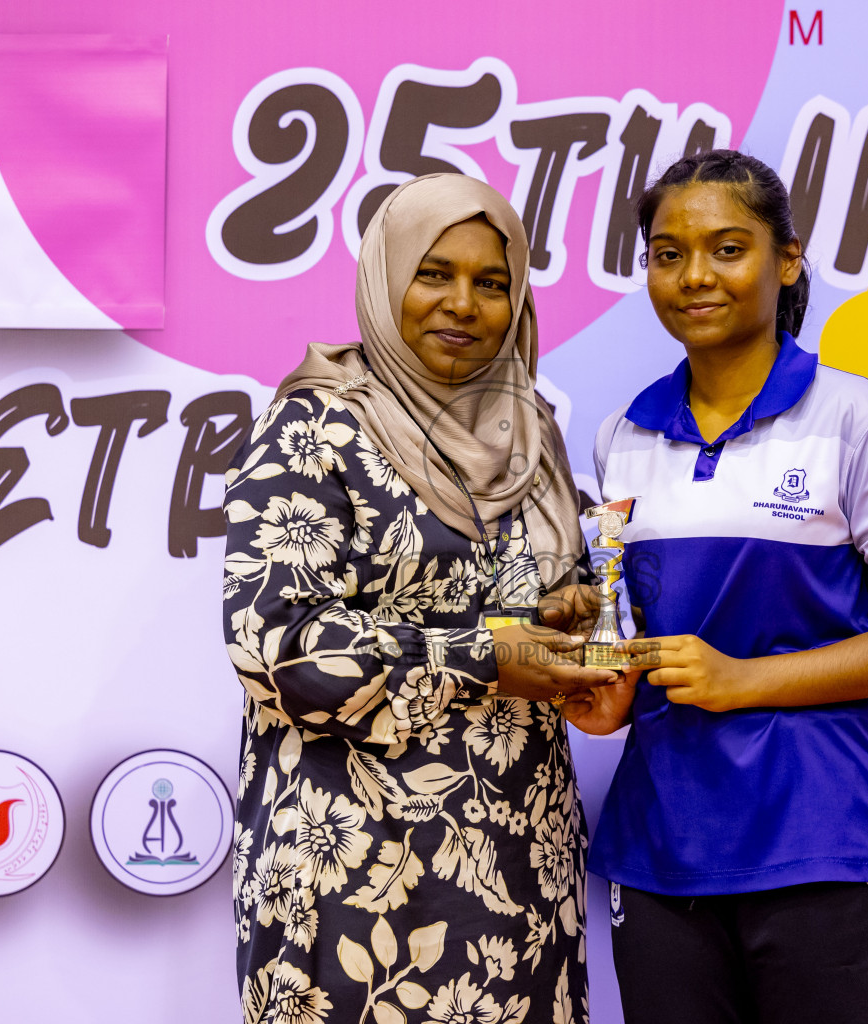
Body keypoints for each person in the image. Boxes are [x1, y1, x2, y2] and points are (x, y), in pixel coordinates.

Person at [568, 150, 868, 1024]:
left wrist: (743, 680)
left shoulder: (857, 421)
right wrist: (599, 683)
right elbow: (629, 630)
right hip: (660, 852)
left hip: (822, 845)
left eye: (727, 248)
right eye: (668, 254)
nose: (694, 276)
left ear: (786, 261)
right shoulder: (620, 436)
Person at [222, 173, 616, 1024]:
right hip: (351, 866)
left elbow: (539, 596)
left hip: (519, 864)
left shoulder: (531, 429)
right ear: (385, 277)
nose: (464, 303)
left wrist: (569, 620)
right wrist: (482, 655)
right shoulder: (315, 428)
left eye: (492, 281)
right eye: (434, 273)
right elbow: (274, 646)